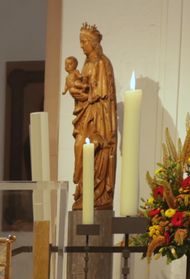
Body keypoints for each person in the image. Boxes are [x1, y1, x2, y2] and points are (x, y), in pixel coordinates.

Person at [70, 23, 118, 210]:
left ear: (92, 42)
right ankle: (82, 187)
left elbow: (100, 94)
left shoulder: (101, 63)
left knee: (96, 151)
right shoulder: (87, 63)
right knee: (79, 146)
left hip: (99, 118)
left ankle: (97, 193)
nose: (81, 46)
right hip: (86, 115)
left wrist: (83, 94)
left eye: (83, 42)